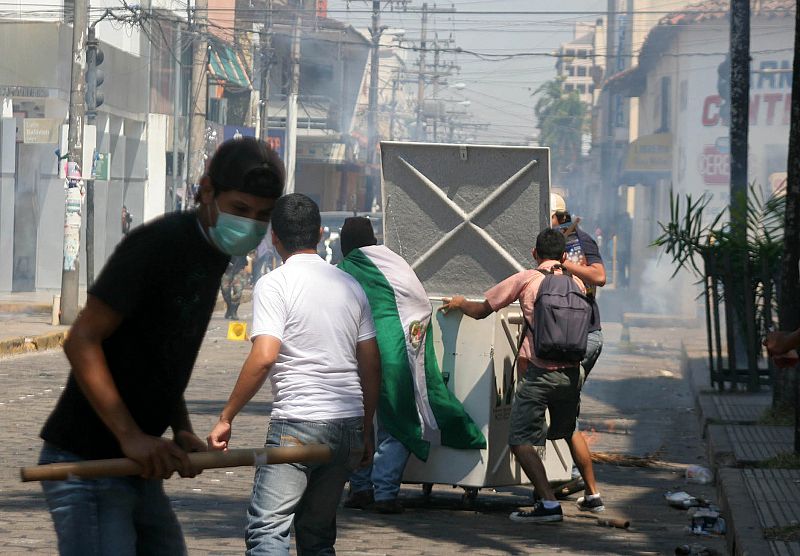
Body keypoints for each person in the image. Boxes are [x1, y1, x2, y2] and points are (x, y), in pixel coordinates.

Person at [37, 136, 285, 555]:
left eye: (262, 215)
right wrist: (130, 435)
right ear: (207, 191)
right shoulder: (159, 244)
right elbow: (82, 339)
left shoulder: (215, 253)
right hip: (88, 463)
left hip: (139, 464)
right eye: (240, 209)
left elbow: (161, 353)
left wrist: (182, 428)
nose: (249, 224)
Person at [207, 194, 381, 555]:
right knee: (317, 535)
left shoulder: (275, 284)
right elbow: (370, 363)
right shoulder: (351, 286)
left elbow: (264, 356)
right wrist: (365, 429)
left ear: (274, 238)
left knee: (268, 530)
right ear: (319, 233)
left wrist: (227, 417)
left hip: (299, 426)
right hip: (346, 426)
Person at [441, 228, 602, 523]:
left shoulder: (526, 279)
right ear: (565, 257)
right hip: (570, 374)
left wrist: (461, 303)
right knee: (567, 431)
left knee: (519, 440)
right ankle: (589, 494)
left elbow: (481, 311)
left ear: (534, 254)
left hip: (538, 374)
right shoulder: (576, 281)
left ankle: (549, 504)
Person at [337, 217, 486, 514]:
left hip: (360, 356)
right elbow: (419, 305)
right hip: (398, 354)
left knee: (358, 422)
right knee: (399, 422)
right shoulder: (393, 262)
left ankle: (362, 488)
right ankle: (385, 492)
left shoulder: (345, 269)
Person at [550, 193, 606, 512]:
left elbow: (599, 277)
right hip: (565, 339)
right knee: (562, 408)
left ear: (559, 217)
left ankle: (570, 477)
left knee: (562, 410)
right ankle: (567, 477)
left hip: (581, 338)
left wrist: (565, 265)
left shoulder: (580, 242)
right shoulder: (549, 242)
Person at [221, 255, 248, 320]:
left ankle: (234, 311)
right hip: (226, 270)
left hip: (239, 269)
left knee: (238, 292)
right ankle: (229, 308)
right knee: (225, 291)